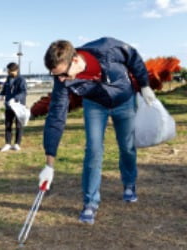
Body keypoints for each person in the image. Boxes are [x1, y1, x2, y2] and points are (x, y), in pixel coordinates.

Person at [38, 37, 157, 224]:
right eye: (56, 76)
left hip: (124, 101)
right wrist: (49, 163)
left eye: (64, 74)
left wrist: (144, 85)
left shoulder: (106, 48)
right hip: (95, 105)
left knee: (126, 146)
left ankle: (129, 183)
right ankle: (90, 203)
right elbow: (55, 117)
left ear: (75, 61)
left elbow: (132, 56)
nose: (61, 80)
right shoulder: (61, 79)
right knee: (93, 150)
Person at [0, 62, 27, 152]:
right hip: (8, 106)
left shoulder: (21, 80)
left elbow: (24, 92)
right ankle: (7, 143)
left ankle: (17, 144)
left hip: (18, 106)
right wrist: (1, 94)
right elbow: (4, 89)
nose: (9, 72)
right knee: (8, 125)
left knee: (18, 126)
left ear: (16, 70)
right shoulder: (8, 78)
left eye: (11, 71)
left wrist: (15, 98)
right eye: (8, 71)